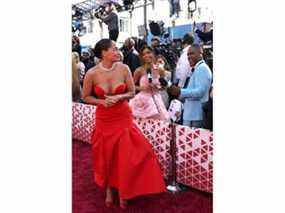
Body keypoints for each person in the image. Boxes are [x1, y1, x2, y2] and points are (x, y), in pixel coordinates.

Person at [82, 39, 166, 209]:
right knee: (106, 156)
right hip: (104, 120)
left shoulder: (124, 68)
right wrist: (101, 102)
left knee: (127, 156)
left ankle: (124, 190)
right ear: (104, 53)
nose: (117, 51)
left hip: (123, 117)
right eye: (113, 49)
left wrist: (119, 97)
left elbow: (132, 91)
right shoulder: (92, 73)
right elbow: (85, 97)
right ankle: (108, 189)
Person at [168, 44, 212, 128]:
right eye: (188, 54)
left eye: (192, 53)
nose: (189, 57)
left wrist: (180, 91)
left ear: (200, 53)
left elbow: (200, 92)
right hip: (191, 114)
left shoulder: (202, 68)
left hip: (195, 116)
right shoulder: (198, 68)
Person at [129, 46, 170, 121]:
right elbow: (131, 86)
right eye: (143, 54)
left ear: (153, 54)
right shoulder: (139, 70)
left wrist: (159, 87)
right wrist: (142, 88)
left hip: (157, 101)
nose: (146, 56)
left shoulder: (160, 69)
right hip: (142, 102)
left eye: (148, 52)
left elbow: (165, 86)